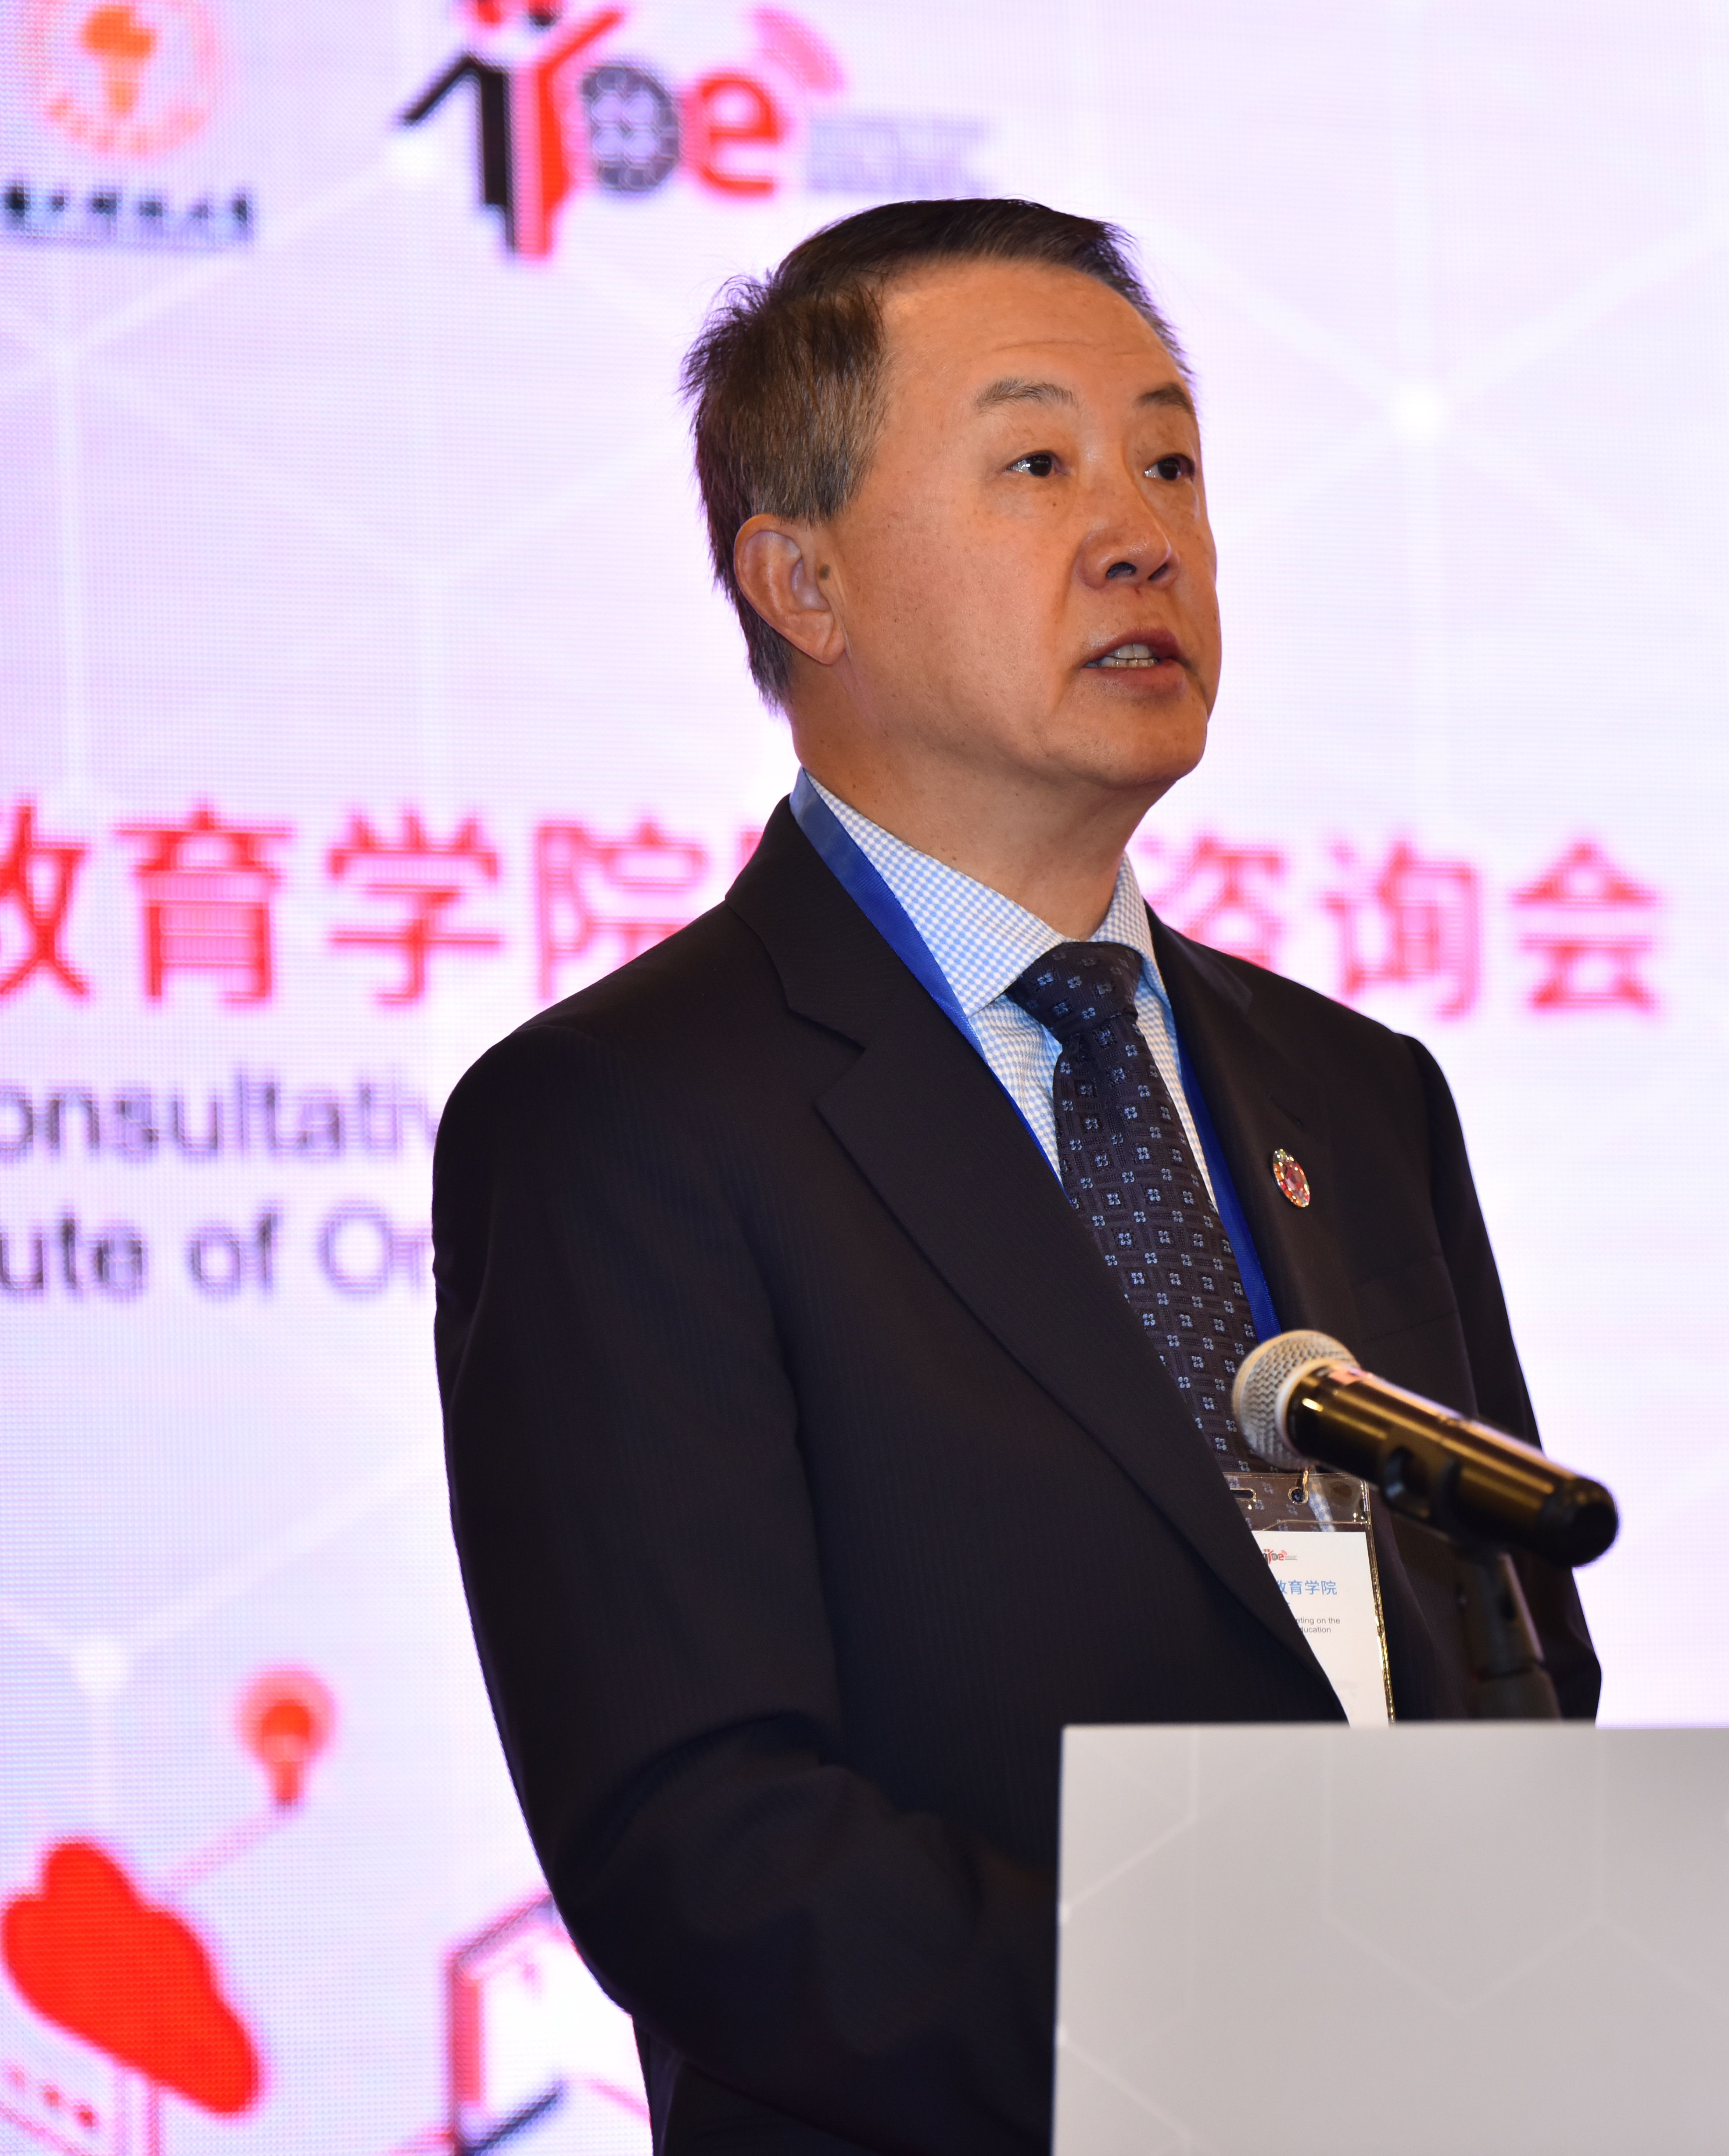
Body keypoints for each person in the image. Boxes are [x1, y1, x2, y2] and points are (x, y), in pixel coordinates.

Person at [432, 198, 1599, 2156]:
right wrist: (1256, 2065)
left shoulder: (1358, 1093)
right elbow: (705, 1841)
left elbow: (1511, 1668)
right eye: (1039, 465)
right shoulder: (624, 1121)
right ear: (802, 580)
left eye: (1172, 464)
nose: (1142, 534)